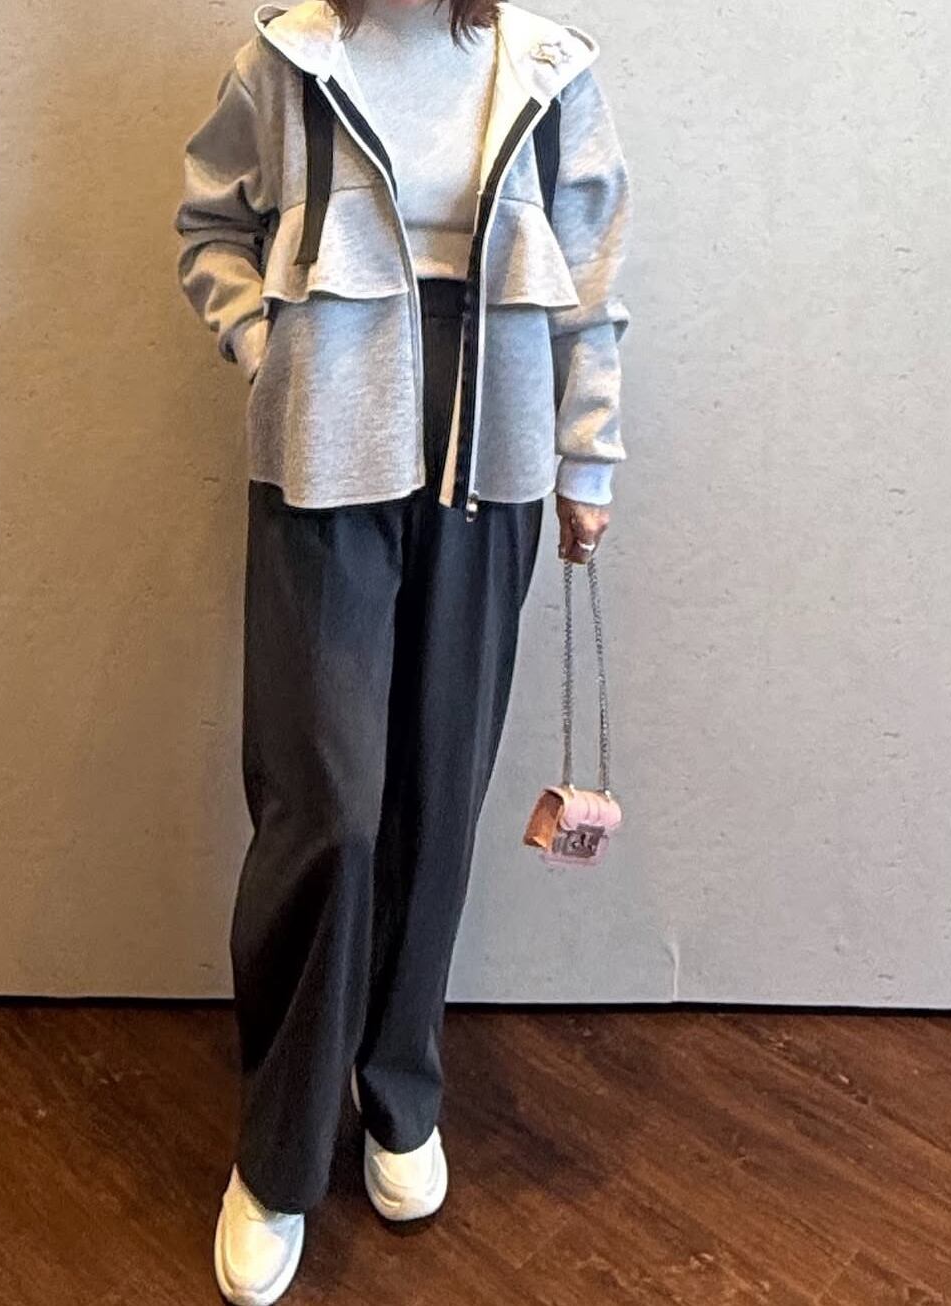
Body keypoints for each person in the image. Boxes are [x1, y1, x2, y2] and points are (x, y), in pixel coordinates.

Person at [173, 0, 632, 1299]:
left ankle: (398, 1087)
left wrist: (589, 456)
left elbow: (594, 279)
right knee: (329, 803)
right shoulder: (290, 58)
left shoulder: (549, 69)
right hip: (326, 441)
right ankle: (277, 1153)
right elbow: (209, 223)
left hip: (494, 449)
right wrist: (266, 348)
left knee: (439, 791)